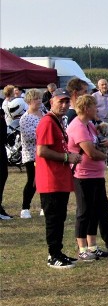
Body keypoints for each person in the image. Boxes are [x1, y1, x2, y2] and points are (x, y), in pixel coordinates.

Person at [36, 89, 85, 268]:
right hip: (50, 179)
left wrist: (69, 154)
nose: (64, 105)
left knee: (60, 217)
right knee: (54, 218)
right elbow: (42, 150)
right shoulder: (47, 122)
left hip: (59, 178)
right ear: (51, 102)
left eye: (66, 102)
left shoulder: (57, 121)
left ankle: (58, 251)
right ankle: (53, 255)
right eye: (60, 102)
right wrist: (66, 157)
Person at [66, 95, 108, 262]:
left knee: (96, 210)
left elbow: (101, 141)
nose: (97, 109)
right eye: (94, 106)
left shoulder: (90, 125)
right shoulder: (78, 126)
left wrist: (107, 143)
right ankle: (82, 249)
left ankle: (93, 247)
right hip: (83, 176)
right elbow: (91, 152)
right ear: (86, 108)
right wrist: (104, 156)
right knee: (84, 212)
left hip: (96, 175)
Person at [19, 89, 44, 218]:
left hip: (45, 153)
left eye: (39, 98)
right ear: (29, 101)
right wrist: (45, 134)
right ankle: (25, 208)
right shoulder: (25, 118)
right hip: (31, 154)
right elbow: (29, 136)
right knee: (33, 181)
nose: (38, 101)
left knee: (44, 181)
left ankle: (43, 207)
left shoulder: (44, 114)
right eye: (35, 99)